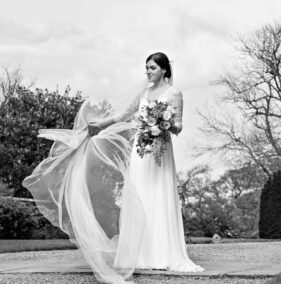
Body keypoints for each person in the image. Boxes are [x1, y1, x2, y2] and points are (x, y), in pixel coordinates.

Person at [23, 52, 203, 284]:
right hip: (141, 150)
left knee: (159, 195)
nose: (148, 72)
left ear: (164, 70)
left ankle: (163, 252)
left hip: (160, 150)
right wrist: (100, 125)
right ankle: (138, 253)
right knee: (139, 194)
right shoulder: (144, 92)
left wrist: (165, 123)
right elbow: (122, 114)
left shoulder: (174, 93)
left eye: (153, 68)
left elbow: (179, 127)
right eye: (146, 68)